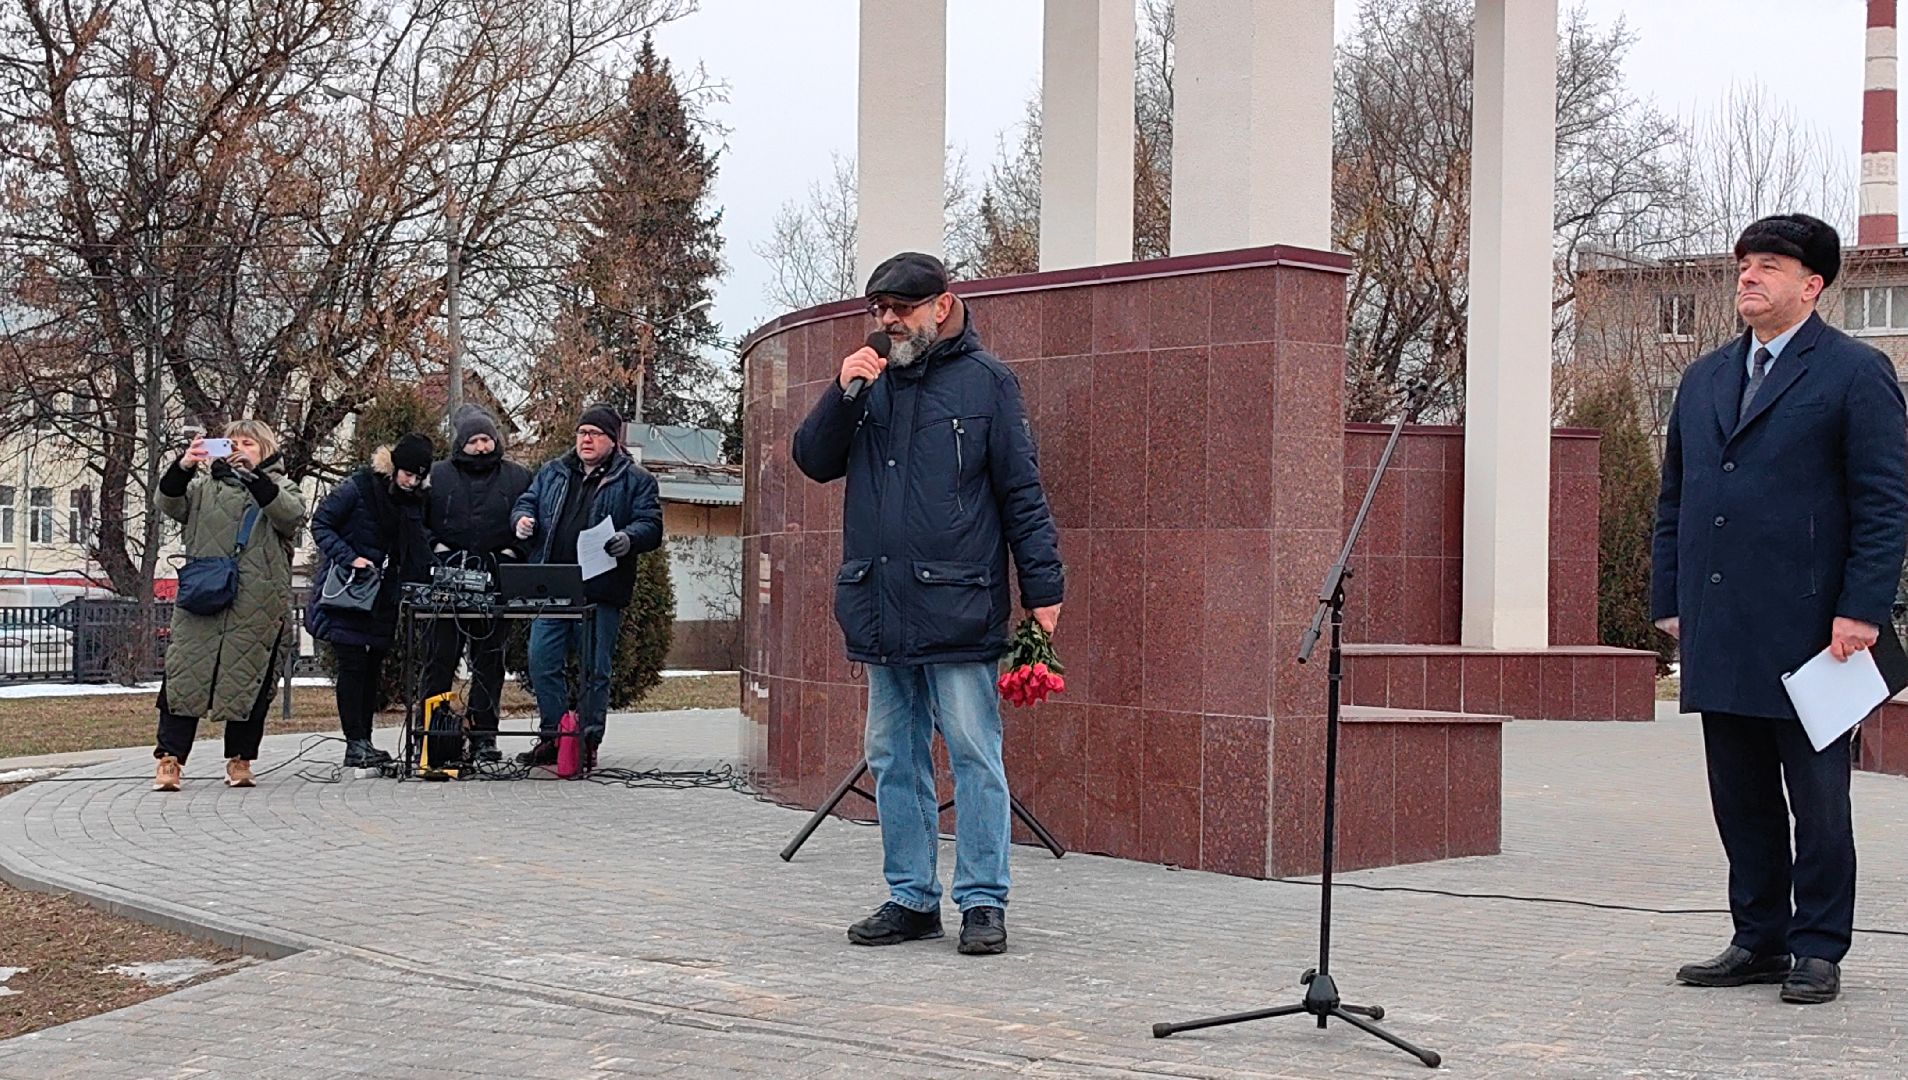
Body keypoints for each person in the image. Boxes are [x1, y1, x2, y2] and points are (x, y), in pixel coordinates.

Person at [1652, 213, 1908, 1005]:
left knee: (1820, 801)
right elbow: (1676, 500)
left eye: (1768, 266)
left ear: (1813, 284)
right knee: (1742, 796)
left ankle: (1818, 946)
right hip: (1721, 626)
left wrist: (1863, 608)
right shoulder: (1702, 378)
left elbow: (1885, 502)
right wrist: (1671, 602)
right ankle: (1757, 938)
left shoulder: (1854, 373)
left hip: (1816, 632)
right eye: (1743, 265)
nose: (1749, 277)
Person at [792, 252, 1064, 956]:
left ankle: (982, 901)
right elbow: (813, 460)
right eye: (878, 309)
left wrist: (1045, 592)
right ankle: (911, 897)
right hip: (882, 606)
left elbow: (1022, 495)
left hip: (959, 608)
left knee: (974, 752)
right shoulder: (869, 383)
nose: (887, 322)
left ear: (942, 305)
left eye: (900, 309)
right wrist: (840, 391)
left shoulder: (988, 385)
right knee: (892, 755)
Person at [151, 421, 307, 791]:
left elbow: (290, 515)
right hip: (204, 598)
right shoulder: (205, 488)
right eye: (231, 443)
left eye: (247, 443)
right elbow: (168, 501)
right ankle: (169, 760)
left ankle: (241, 760)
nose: (238, 449)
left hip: (256, 604)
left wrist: (255, 479)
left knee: (248, 680)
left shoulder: (281, 487)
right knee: (185, 676)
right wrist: (185, 464)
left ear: (264, 450)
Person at [511, 403, 663, 767]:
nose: (586, 439)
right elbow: (526, 502)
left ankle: (586, 741)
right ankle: (554, 735)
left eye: (594, 434)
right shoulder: (552, 472)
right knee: (541, 661)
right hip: (553, 586)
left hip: (600, 589)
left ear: (612, 440)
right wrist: (522, 520)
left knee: (595, 669)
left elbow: (651, 524)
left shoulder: (635, 480)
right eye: (582, 433)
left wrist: (629, 538)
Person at [307, 433, 437, 768]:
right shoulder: (359, 487)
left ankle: (363, 741)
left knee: (371, 669)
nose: (411, 481)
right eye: (407, 473)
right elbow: (321, 523)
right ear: (393, 467)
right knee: (352, 666)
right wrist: (350, 558)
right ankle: (355, 742)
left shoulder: (414, 501)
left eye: (418, 476)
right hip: (350, 591)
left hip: (385, 594)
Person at [423, 406, 533, 762]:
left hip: (496, 581)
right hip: (447, 582)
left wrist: (510, 554)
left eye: (487, 439)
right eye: (474, 440)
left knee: (489, 661)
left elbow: (531, 521)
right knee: (439, 659)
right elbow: (417, 521)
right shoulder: (437, 476)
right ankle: (432, 730)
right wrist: (435, 549)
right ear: (461, 443)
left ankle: (484, 734)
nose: (482, 447)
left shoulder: (517, 477)